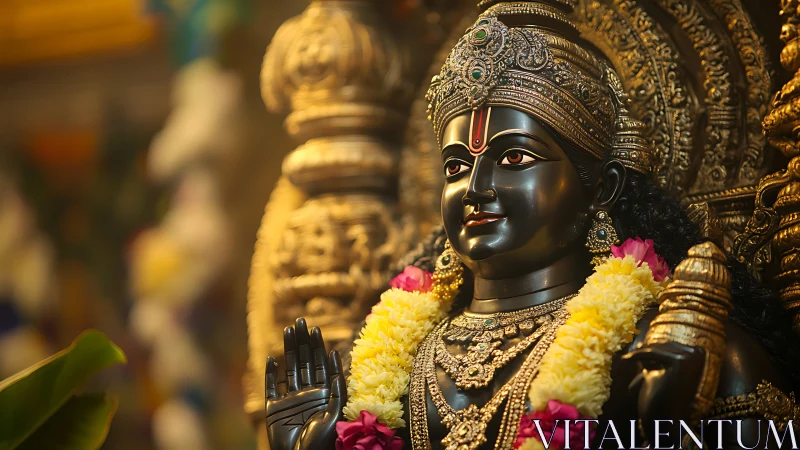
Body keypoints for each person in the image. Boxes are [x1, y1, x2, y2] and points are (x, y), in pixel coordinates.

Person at [265, 3, 800, 449]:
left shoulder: (680, 355)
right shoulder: (384, 373)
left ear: (601, 188)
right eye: (455, 166)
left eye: (515, 158)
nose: (475, 187)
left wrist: (658, 428)